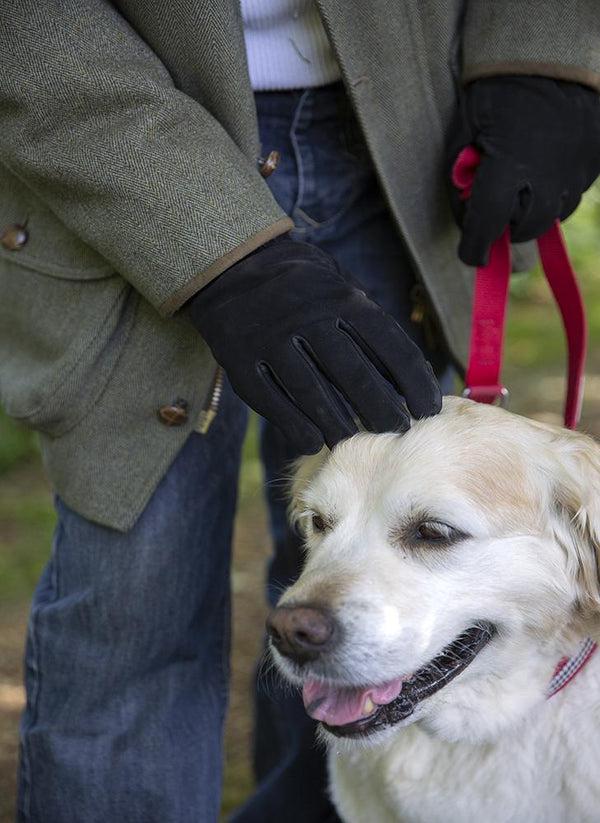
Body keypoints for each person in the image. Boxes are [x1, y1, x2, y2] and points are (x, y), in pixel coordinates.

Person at [1, 2, 599, 822]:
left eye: (432, 532)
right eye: (320, 524)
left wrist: (543, 54)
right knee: (133, 607)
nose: (301, 610)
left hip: (405, 148)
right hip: (121, 151)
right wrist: (222, 252)